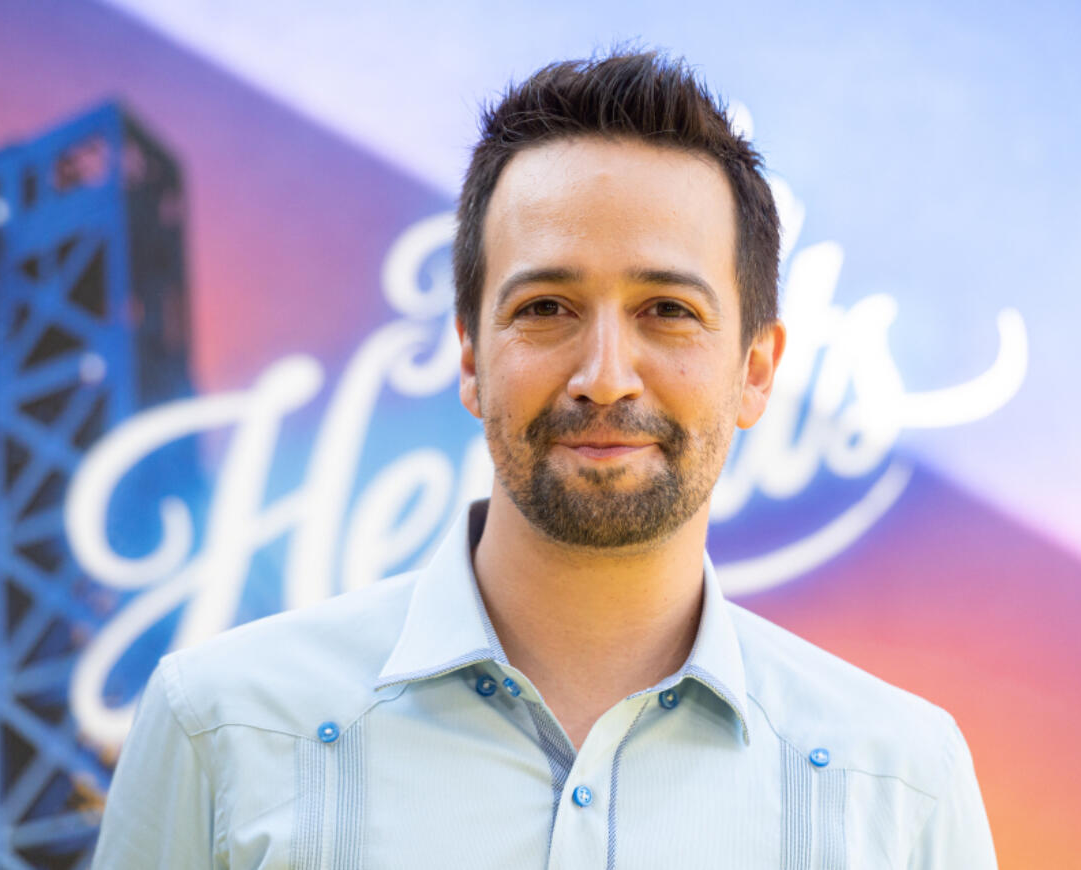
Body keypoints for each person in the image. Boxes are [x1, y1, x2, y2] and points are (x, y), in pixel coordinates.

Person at [95, 51, 996, 868]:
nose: (604, 378)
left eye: (668, 311)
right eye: (547, 308)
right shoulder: (219, 727)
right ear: (470, 358)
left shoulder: (901, 788)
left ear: (756, 370)